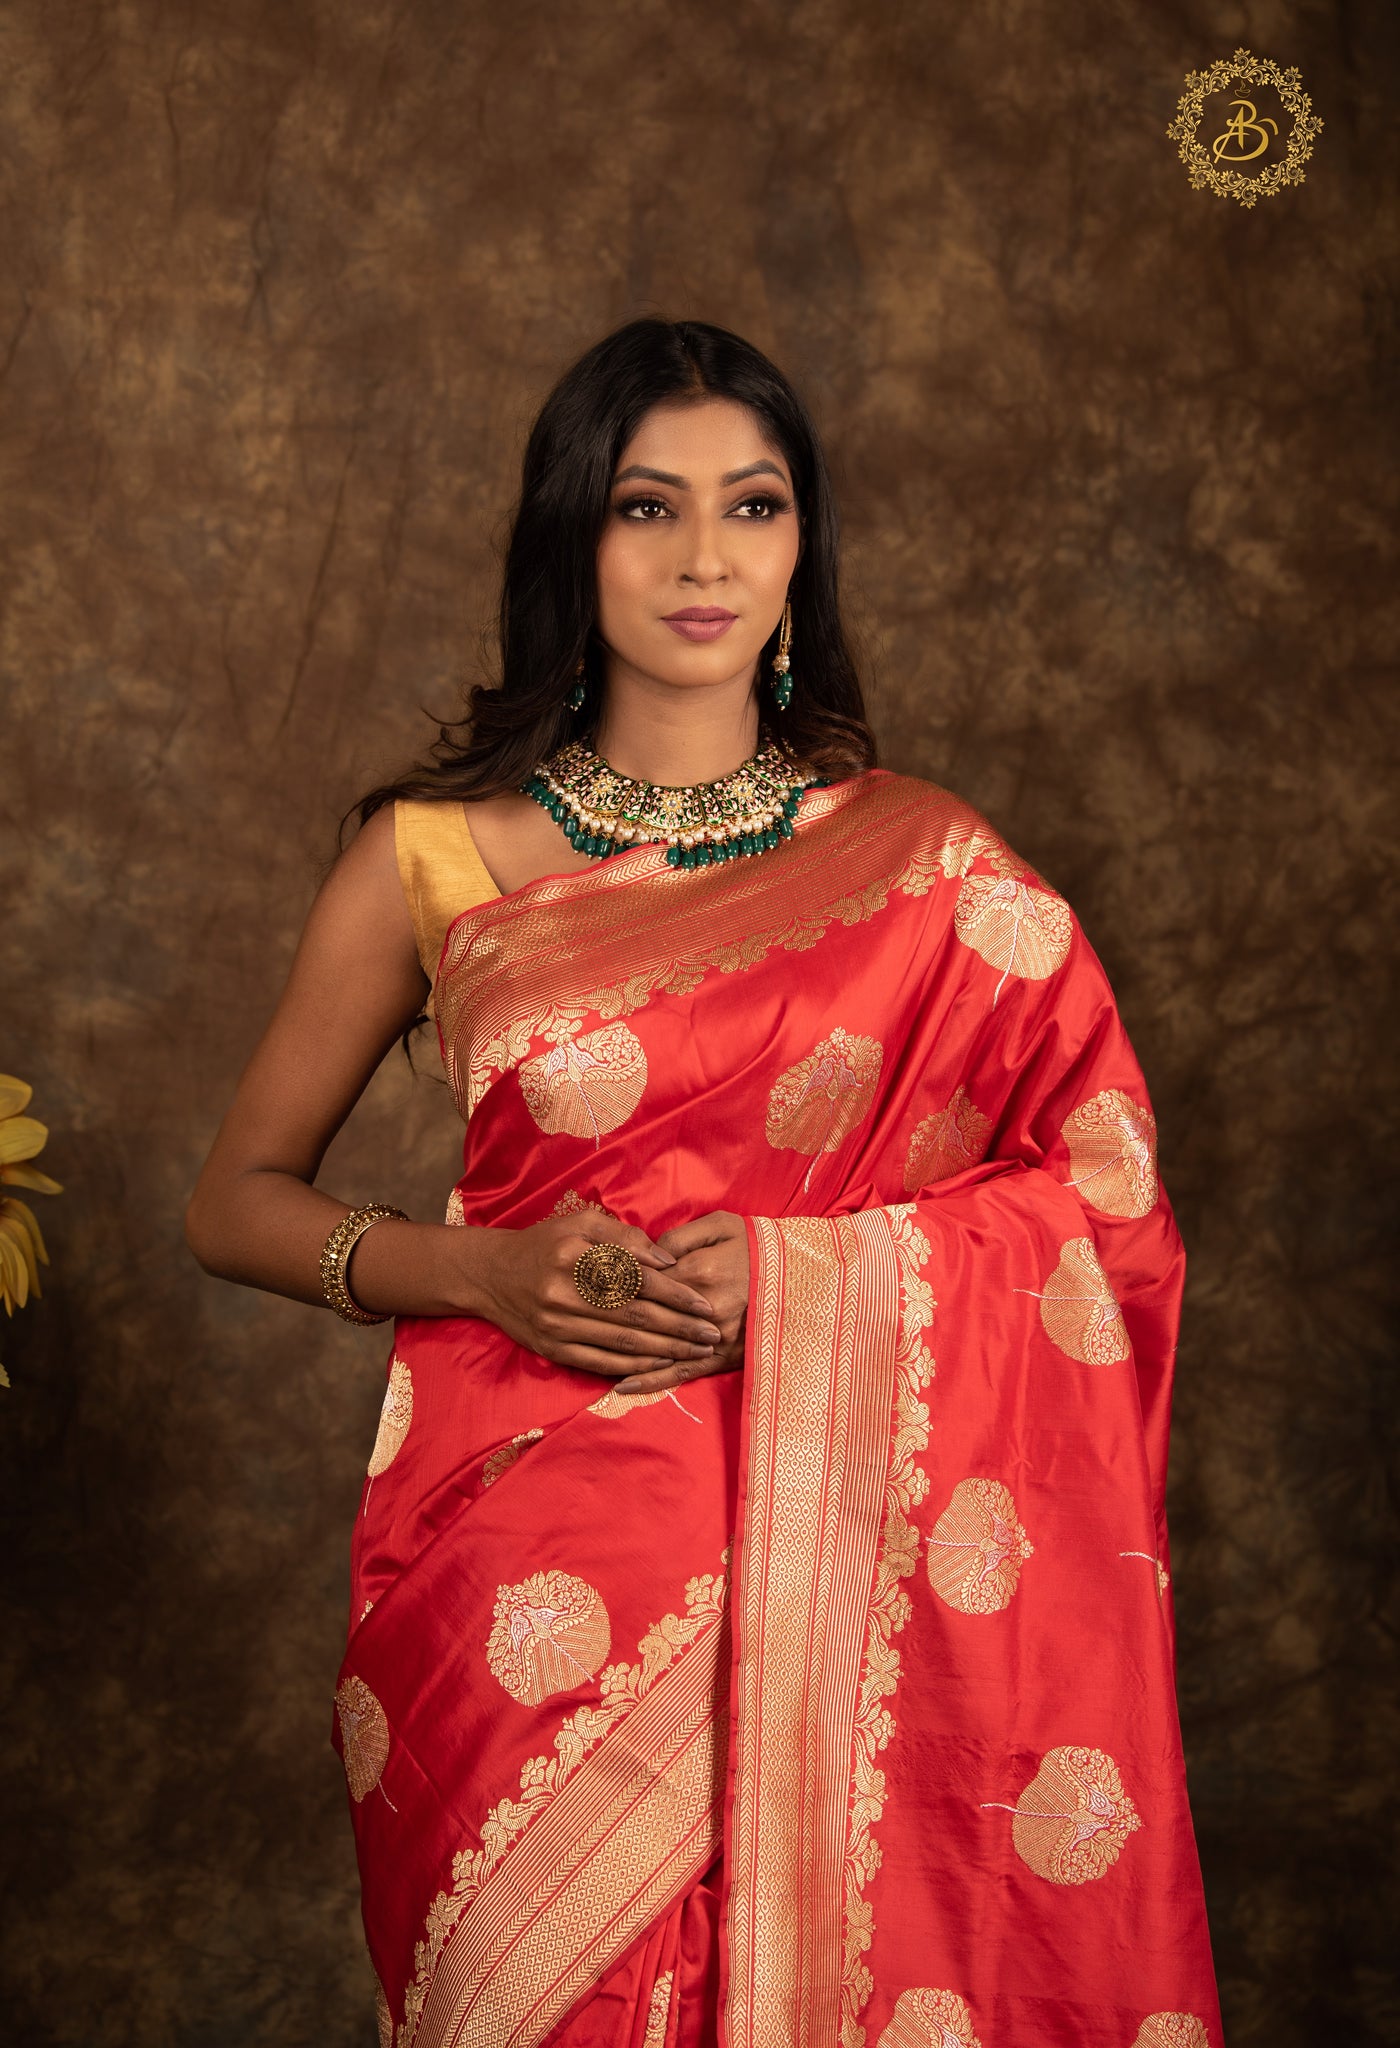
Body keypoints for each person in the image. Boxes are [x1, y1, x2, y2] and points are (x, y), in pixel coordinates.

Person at [187, 318, 1221, 2048]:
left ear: (803, 545)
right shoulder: (435, 855)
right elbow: (234, 1198)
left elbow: (1102, 1194)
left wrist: (812, 1278)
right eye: (646, 506)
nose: (702, 559)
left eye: (752, 506)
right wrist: (479, 1270)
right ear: (571, 535)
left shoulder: (928, 866)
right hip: (517, 1585)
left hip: (845, 1566)